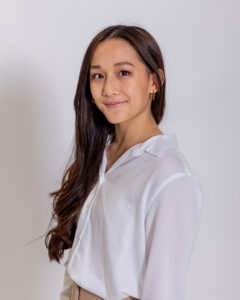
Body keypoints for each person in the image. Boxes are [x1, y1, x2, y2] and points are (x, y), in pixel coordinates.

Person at [45, 24, 204, 300]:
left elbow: (163, 292)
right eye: (98, 75)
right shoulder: (99, 154)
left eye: (123, 73)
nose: (108, 88)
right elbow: (81, 262)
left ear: (154, 81)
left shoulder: (169, 176)